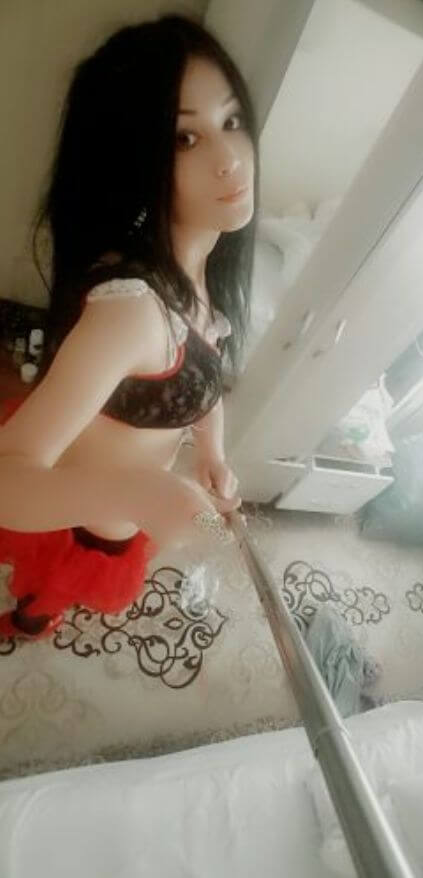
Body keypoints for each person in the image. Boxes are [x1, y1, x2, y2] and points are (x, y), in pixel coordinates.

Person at [0, 13, 259, 640]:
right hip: (80, 513)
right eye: (185, 138)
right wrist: (138, 494)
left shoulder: (202, 276)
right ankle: (27, 619)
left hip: (125, 506)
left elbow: (204, 373)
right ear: (132, 158)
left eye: (232, 121)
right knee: (49, 589)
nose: (230, 159)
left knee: (74, 586)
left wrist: (212, 453)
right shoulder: (133, 312)